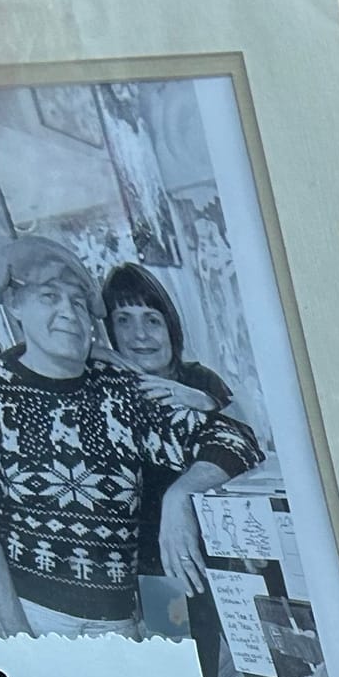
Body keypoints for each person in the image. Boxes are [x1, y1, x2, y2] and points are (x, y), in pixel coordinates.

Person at [0, 235, 261, 639]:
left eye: (78, 302)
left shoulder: (126, 391)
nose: (68, 312)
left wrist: (181, 493)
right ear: (14, 305)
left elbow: (238, 438)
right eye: (49, 296)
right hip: (41, 616)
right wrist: (14, 629)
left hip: (130, 613)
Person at [101, 264, 247, 648]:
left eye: (151, 319)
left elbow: (251, 441)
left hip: (230, 555)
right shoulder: (109, 390)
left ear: (170, 327)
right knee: (191, 669)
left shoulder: (200, 379)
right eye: (124, 320)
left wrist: (204, 404)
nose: (140, 334)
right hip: (159, 569)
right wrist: (104, 355)